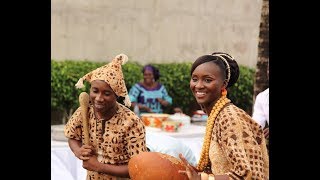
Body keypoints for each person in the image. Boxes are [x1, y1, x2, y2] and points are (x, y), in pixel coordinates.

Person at [178, 52, 269, 179]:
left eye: (207, 80)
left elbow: (243, 174)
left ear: (224, 84)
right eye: (194, 79)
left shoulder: (229, 117)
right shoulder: (216, 114)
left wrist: (202, 178)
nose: (198, 85)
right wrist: (201, 173)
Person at [64, 54, 147, 179]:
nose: (98, 98)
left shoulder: (131, 122)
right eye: (95, 91)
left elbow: (139, 167)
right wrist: (78, 151)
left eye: (107, 94)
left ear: (117, 96)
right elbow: (72, 137)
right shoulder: (84, 111)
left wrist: (98, 166)